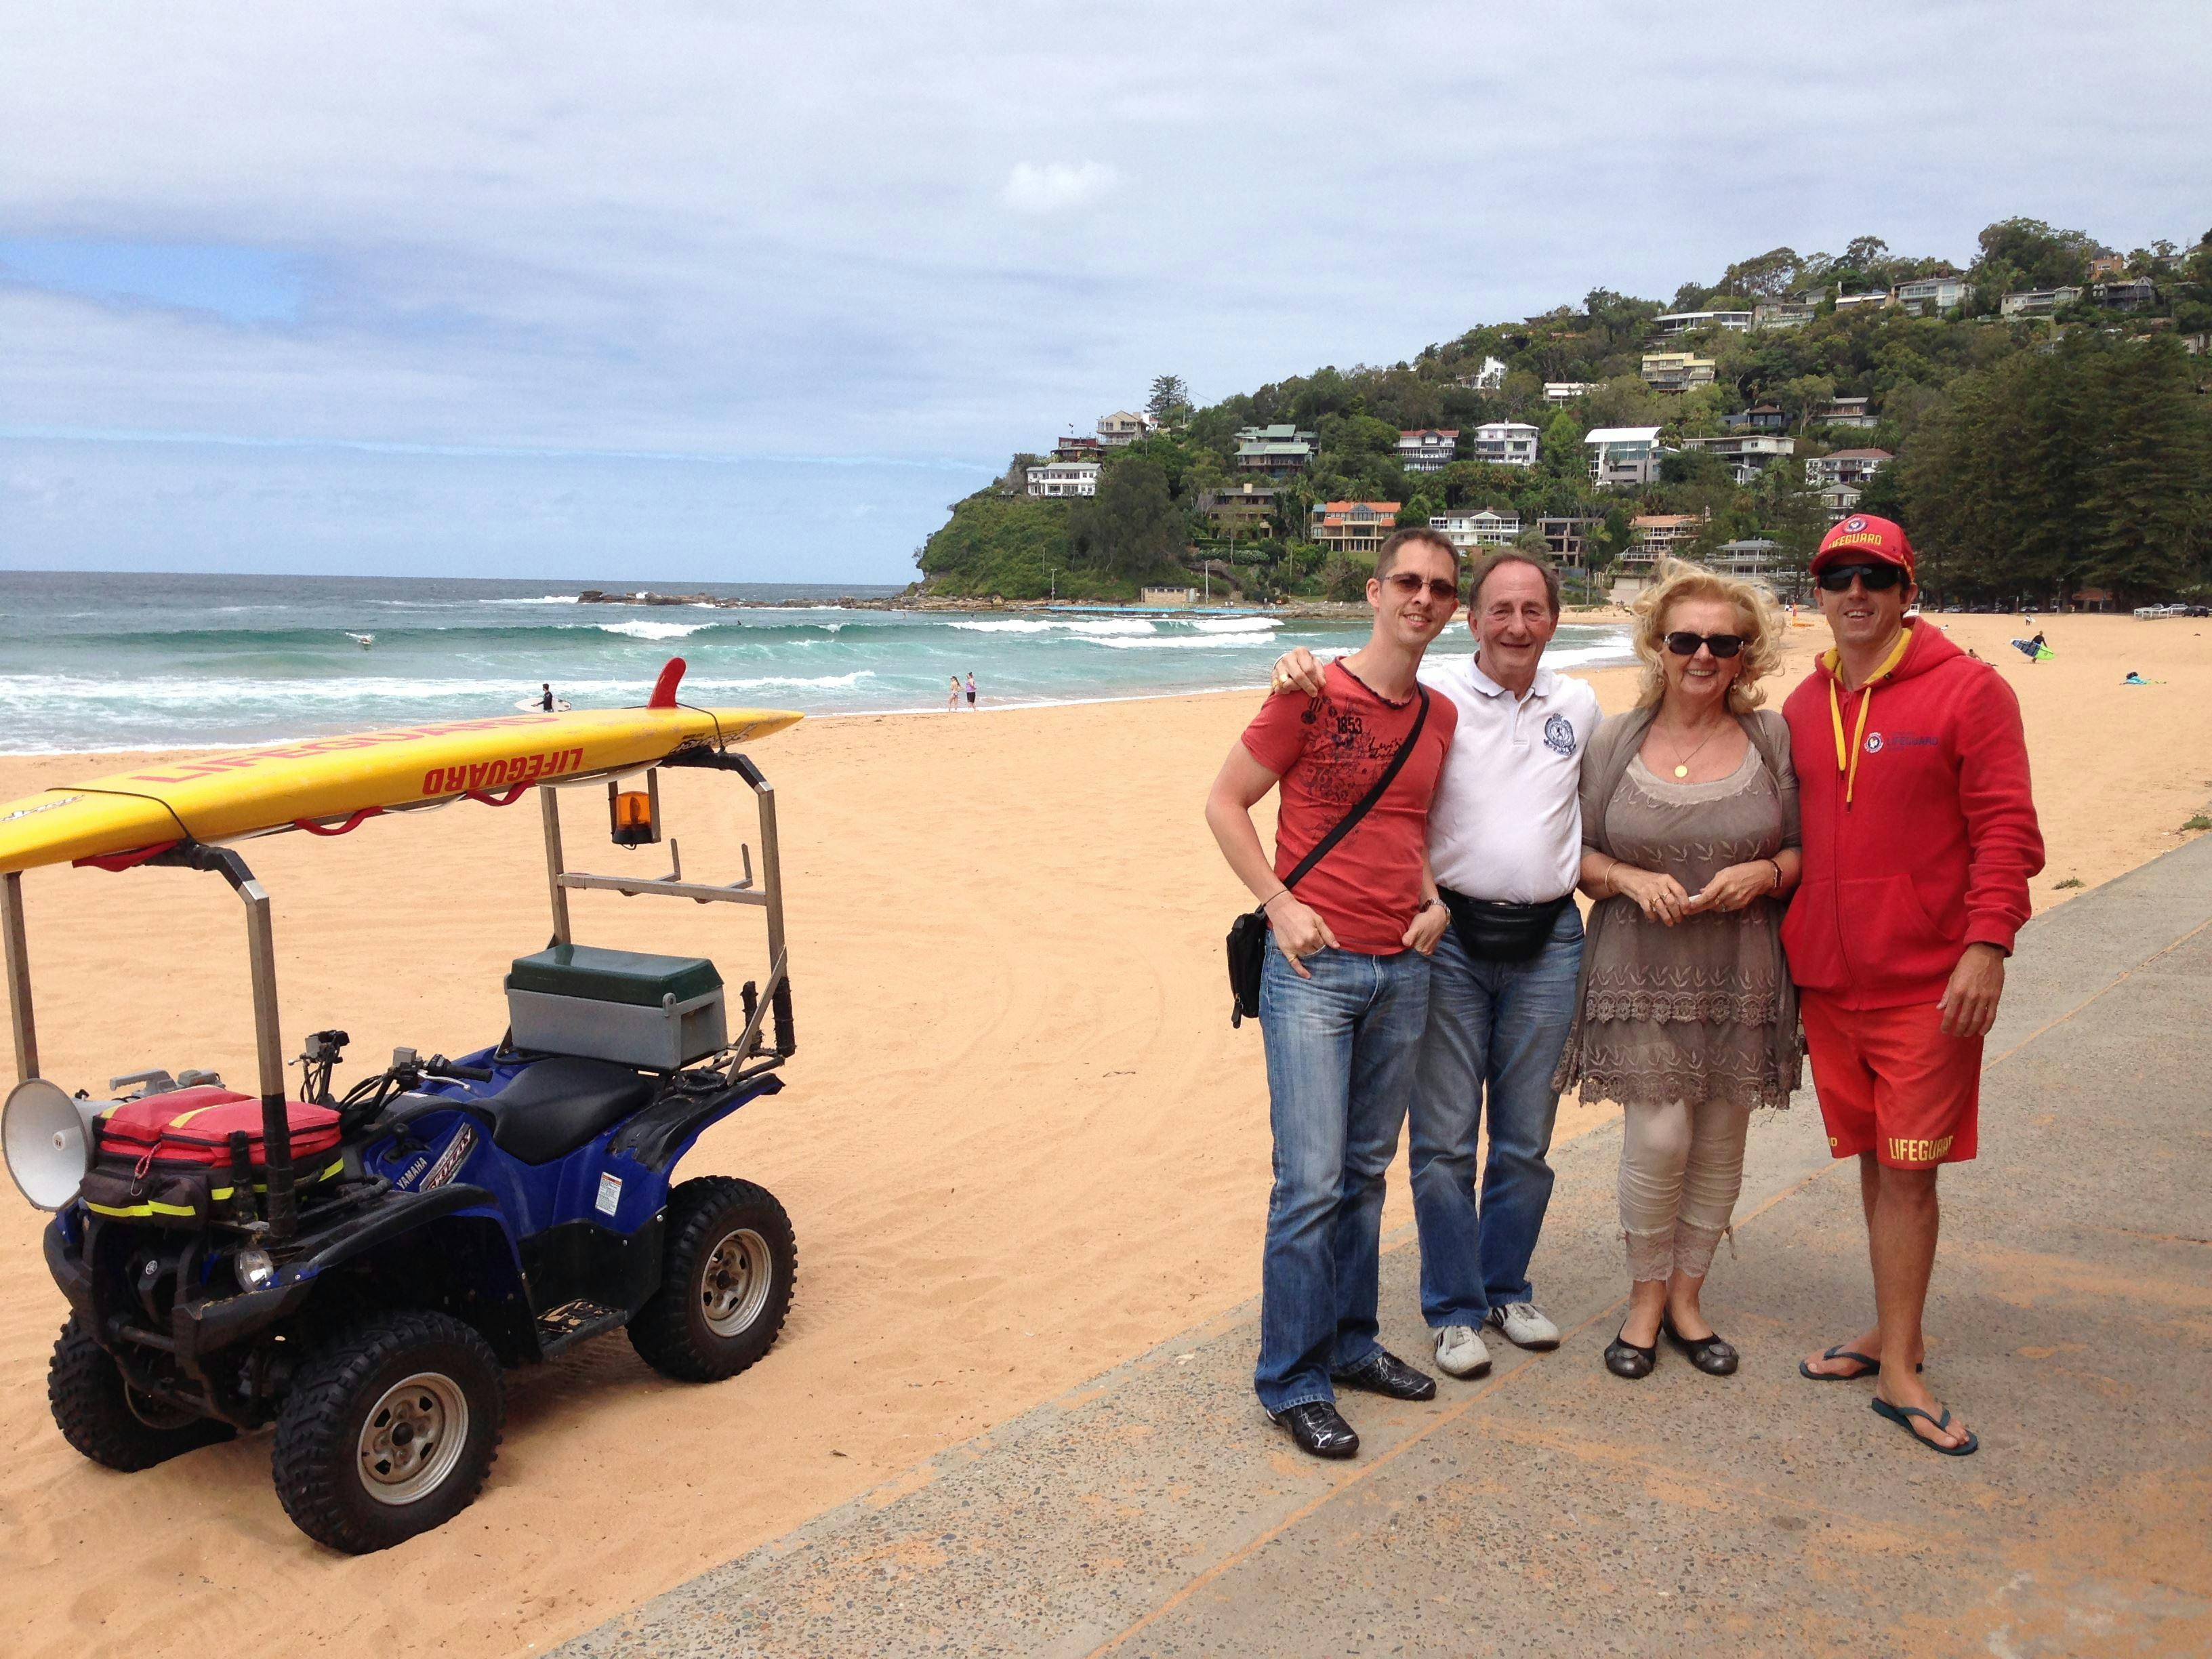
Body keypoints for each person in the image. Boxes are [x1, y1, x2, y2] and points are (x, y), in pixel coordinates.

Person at [1270, 550, 1599, 1380]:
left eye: (1533, 609)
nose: (1516, 624)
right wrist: (1293, 663)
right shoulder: (1438, 693)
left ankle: (1505, 1288)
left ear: (1554, 617)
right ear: (1472, 618)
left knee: (1525, 1139)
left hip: (1546, 939)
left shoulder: (1582, 703)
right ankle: (1451, 1311)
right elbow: (1366, 698)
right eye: (1499, 608)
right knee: (1440, 1144)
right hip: (1442, 941)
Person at [1786, 515, 2043, 1458]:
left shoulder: (1972, 690)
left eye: (1875, 577)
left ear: (1906, 591)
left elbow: (2008, 830)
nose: (1856, 593)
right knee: (1873, 1157)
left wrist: (1988, 946)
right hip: (1828, 981)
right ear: (1817, 593)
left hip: (1928, 984)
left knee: (1909, 1170)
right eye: (1838, 576)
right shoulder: (1802, 705)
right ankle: (1899, 1331)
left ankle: (1900, 1374)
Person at [1206, 528, 1462, 1459]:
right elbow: (1225, 802)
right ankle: (1291, 1380)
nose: (1422, 599)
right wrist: (1278, 904)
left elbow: (1412, 824)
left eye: (1439, 588)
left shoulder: (1440, 717)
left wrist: (1433, 896)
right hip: (1314, 970)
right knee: (1309, 1182)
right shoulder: (1308, 691)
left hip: (1403, 967)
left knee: (1363, 1176)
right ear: (1374, 591)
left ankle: (1351, 1346)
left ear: (1451, 607)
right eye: (1407, 582)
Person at [1551, 562, 1802, 1381]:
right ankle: (1644, 1298)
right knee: (1659, 1138)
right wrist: (1626, 878)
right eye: (1685, 639)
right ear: (1657, 645)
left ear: (1746, 654)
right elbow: (1577, 857)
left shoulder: (1772, 739)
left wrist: (1765, 875)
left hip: (1741, 966)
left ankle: (1689, 1300)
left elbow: (1802, 850)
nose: (1702, 655)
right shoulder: (1615, 741)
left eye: (1722, 643)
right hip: (1638, 966)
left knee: (1722, 1139)